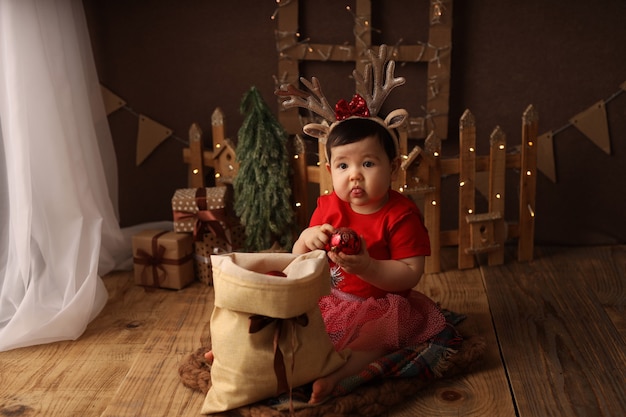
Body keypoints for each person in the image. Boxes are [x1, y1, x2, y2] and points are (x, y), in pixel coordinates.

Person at [291, 116, 447, 404]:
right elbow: (299, 265)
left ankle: (337, 375)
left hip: (382, 307)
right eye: (343, 165)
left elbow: (410, 273)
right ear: (329, 170)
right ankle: (262, 358)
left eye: (368, 164)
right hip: (332, 298)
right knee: (296, 321)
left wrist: (368, 267)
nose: (355, 175)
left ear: (393, 166)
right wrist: (304, 240)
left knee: (374, 340)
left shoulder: (400, 216)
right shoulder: (328, 208)